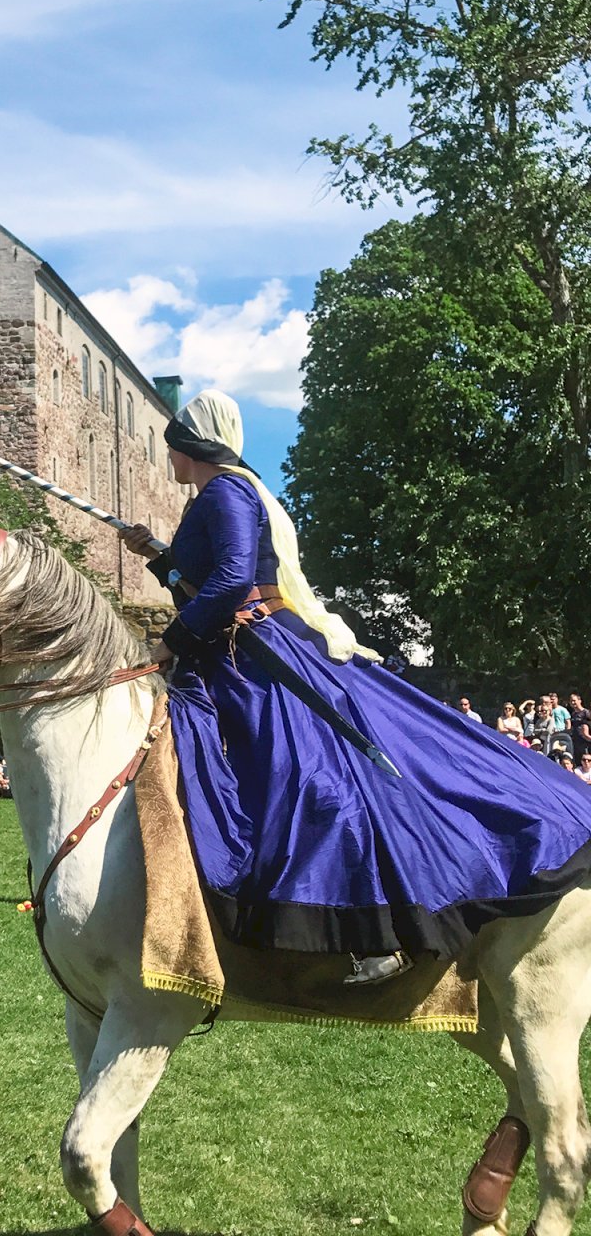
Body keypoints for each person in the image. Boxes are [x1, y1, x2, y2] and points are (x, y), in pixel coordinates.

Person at [120, 389, 591, 987]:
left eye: (173, 443)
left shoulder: (226, 491)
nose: (167, 455)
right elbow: (205, 580)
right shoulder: (211, 498)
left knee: (307, 779)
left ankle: (375, 926)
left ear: (190, 443)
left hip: (260, 656)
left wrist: (169, 643)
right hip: (231, 657)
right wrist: (159, 556)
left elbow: (236, 580)